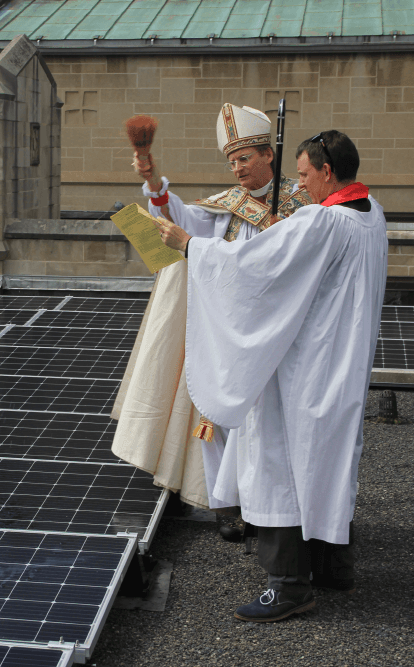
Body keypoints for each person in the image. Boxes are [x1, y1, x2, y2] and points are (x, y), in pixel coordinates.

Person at [152, 130, 388, 622]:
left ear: (327, 171)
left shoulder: (323, 223)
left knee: (278, 468)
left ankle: (287, 587)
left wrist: (191, 246)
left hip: (304, 371)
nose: (299, 184)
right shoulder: (372, 213)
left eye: (304, 175)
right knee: (328, 466)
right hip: (343, 367)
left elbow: (255, 266)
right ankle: (333, 566)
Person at [111, 104, 312, 510]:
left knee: (271, 419)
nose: (237, 168)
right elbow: (179, 228)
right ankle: (224, 502)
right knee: (216, 417)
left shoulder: (303, 203)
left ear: (268, 155)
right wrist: (154, 184)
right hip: (227, 325)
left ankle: (274, 502)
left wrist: (285, 234)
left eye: (244, 159)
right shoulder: (226, 205)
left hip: (279, 328)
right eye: (231, 161)